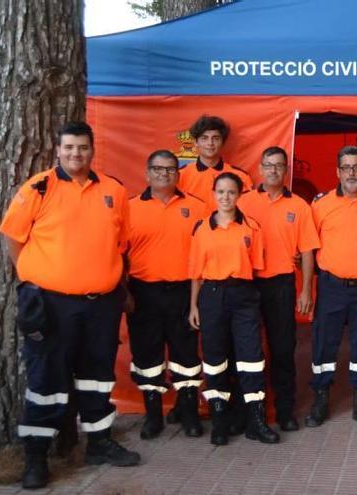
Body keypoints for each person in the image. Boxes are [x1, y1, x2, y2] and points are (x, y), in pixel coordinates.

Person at [0, 122, 139, 490]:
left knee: (97, 378)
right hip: (50, 306)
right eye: (69, 148)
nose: (76, 154)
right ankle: (36, 458)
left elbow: (121, 245)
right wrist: (33, 275)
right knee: (45, 381)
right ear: (58, 150)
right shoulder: (38, 188)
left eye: (82, 148)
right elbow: (13, 237)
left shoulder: (113, 190)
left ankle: (99, 443)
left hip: (100, 306)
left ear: (92, 150)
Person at [188, 172, 279, 445]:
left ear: (239, 196)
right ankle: (220, 422)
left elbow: (257, 267)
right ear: (213, 194)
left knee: (251, 358)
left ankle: (256, 421)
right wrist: (194, 305)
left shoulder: (252, 227)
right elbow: (196, 273)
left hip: (243, 295)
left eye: (231, 192)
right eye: (221, 192)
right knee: (215, 359)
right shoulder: (201, 228)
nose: (225, 197)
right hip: (212, 295)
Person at [238, 146, 320, 432]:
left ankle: (285, 410)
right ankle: (248, 411)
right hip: (246, 285)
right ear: (260, 169)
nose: (274, 170)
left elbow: (308, 251)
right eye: (269, 165)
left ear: (286, 171)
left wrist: (306, 290)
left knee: (283, 348)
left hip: (282, 285)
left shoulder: (299, 206)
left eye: (279, 166)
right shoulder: (243, 202)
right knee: (247, 349)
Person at [125, 150, 205, 440]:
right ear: (147, 174)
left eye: (170, 169)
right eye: (158, 169)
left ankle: (189, 414)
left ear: (178, 173)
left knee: (186, 356)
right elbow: (119, 254)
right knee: (148, 357)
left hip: (183, 293)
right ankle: (153, 416)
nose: (164, 174)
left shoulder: (197, 208)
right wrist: (125, 293)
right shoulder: (130, 208)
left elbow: (207, 252)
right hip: (143, 294)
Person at [307, 145, 357, 428]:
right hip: (331, 287)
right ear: (337, 171)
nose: (352, 172)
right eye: (346, 167)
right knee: (323, 343)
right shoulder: (320, 204)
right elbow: (308, 246)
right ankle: (321, 399)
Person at [178, 115, 253, 210]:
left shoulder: (241, 177)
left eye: (216, 138)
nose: (210, 143)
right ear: (196, 142)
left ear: (223, 142)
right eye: (204, 138)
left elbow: (247, 210)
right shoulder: (180, 175)